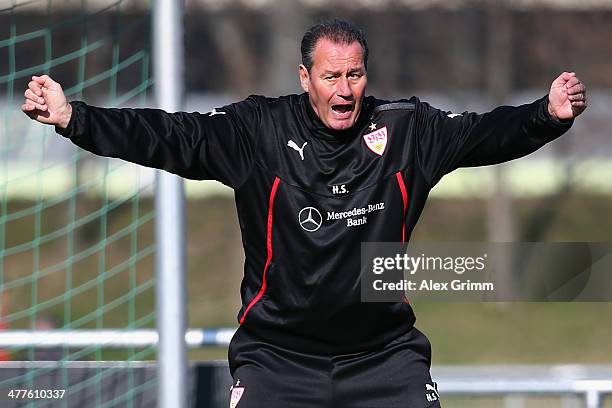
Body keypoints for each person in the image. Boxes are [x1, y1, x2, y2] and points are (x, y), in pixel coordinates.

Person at [22, 19, 586, 408]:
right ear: (304, 77)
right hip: (277, 360)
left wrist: (547, 115)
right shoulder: (258, 132)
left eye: (355, 75)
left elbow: (485, 134)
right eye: (331, 76)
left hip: (385, 359)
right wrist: (76, 117)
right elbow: (171, 136)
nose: (345, 90)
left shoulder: (408, 131)